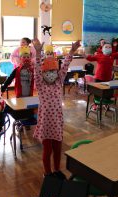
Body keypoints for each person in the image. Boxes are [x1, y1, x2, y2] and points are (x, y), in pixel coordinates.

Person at [32, 38, 81, 179]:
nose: (50, 74)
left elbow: (65, 65)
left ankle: (57, 170)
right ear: (42, 73)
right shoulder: (41, 85)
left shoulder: (58, 82)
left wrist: (71, 51)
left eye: (53, 71)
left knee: (58, 149)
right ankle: (47, 173)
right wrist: (38, 52)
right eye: (47, 71)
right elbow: (36, 69)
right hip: (46, 124)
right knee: (47, 150)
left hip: (57, 123)